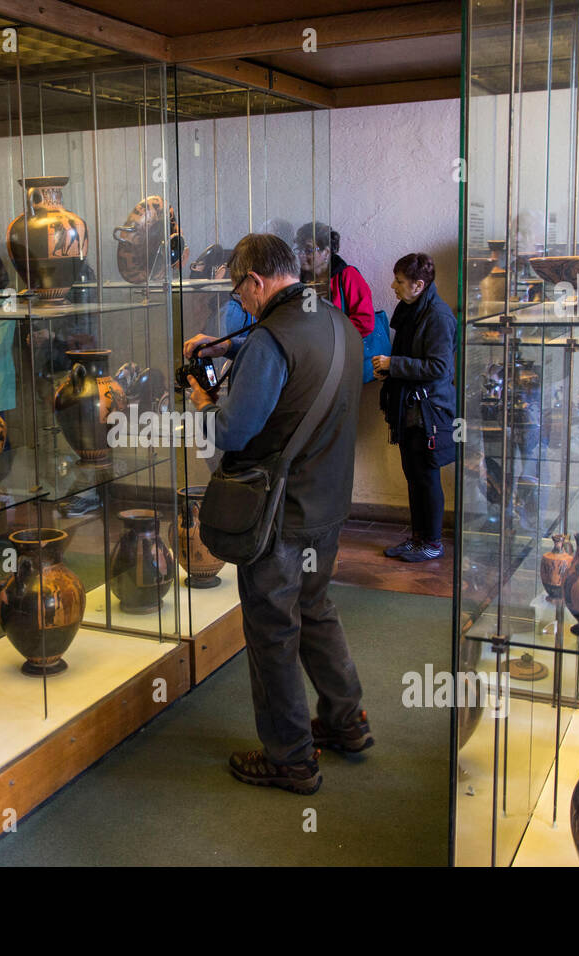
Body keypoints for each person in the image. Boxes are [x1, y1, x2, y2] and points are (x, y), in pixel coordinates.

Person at [184, 233, 371, 795]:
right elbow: (307, 371)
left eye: (240, 291)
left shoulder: (269, 339)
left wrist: (203, 403)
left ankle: (291, 758)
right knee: (315, 610)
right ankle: (346, 722)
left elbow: (231, 431)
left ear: (257, 281)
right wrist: (233, 349)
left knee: (271, 630)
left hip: (277, 515)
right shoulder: (337, 322)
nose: (240, 304)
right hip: (330, 504)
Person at [374, 253, 457, 563]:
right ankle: (419, 538)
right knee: (414, 475)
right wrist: (391, 370)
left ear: (419, 285)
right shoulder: (412, 310)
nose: (393, 286)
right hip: (410, 408)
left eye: (399, 281)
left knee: (425, 477)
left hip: (428, 413)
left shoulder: (437, 316)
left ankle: (432, 542)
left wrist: (394, 364)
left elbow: (439, 367)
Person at [295, 221, 376, 338]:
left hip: (341, 349)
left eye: (308, 250)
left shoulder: (347, 275)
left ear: (326, 252)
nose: (301, 255)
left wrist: (327, 333)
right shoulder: (299, 280)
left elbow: (365, 321)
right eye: (299, 249)